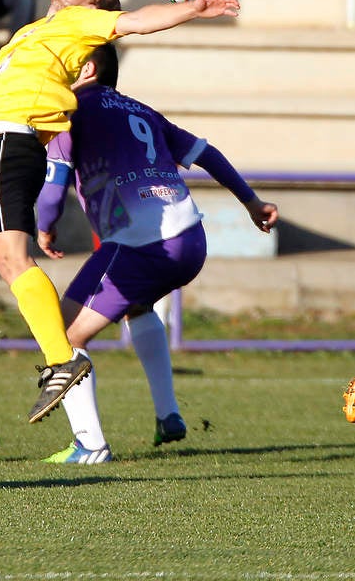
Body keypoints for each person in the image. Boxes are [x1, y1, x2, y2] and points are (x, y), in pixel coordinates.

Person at [0, 0, 240, 463]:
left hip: (11, 142)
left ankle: (62, 360)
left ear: (93, 7)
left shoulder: (81, 23)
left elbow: (139, 21)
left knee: (11, 259)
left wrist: (191, 10)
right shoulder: (26, 36)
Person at [36, 42, 279, 463]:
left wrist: (44, 226)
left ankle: (89, 445)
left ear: (88, 68)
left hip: (139, 240)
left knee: (63, 335)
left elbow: (53, 188)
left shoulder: (69, 110)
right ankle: (168, 414)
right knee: (138, 306)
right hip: (190, 237)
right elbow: (207, 154)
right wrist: (252, 202)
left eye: (67, 61)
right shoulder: (141, 109)